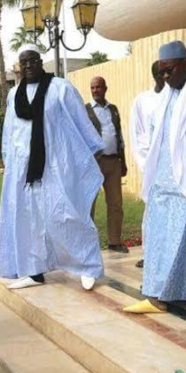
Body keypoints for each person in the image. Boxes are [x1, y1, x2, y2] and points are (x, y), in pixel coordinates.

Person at [122, 41, 186, 314]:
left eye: (169, 71)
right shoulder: (167, 96)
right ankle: (158, 295)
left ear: (185, 64)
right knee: (161, 238)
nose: (165, 78)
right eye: (162, 72)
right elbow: (157, 135)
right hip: (164, 182)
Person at [0, 45, 105, 291]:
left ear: (40, 61)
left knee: (67, 214)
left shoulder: (60, 88)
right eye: (24, 62)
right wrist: (9, 162)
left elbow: (80, 121)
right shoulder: (14, 95)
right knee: (29, 220)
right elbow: (10, 131)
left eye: (33, 61)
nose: (29, 66)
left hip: (55, 166)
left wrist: (89, 151)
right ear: (19, 65)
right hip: (23, 170)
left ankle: (88, 267)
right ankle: (34, 272)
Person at [129, 61, 167, 269]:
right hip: (153, 167)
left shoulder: (179, 97)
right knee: (152, 211)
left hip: (175, 167)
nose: (166, 76)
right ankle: (150, 253)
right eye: (163, 73)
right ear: (155, 76)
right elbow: (138, 135)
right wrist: (151, 163)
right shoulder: (143, 101)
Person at [86, 76, 128, 253]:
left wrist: (123, 161)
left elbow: (119, 135)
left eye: (98, 87)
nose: (95, 90)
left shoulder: (113, 109)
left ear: (105, 88)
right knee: (89, 205)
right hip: (94, 164)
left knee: (116, 203)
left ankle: (114, 241)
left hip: (113, 162)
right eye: (93, 88)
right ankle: (88, 245)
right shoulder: (85, 110)